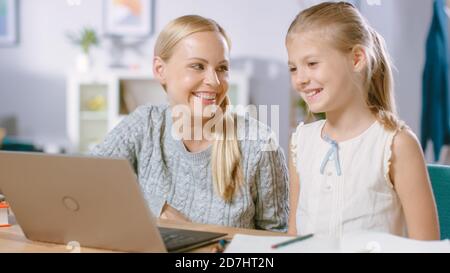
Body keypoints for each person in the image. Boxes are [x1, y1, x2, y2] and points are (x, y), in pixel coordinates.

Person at [91, 15, 289, 232]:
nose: (214, 81)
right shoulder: (145, 124)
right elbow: (86, 184)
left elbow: (275, 241)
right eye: (197, 66)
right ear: (160, 70)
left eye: (222, 68)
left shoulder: (258, 143)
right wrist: (155, 209)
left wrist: (194, 235)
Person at [287, 2, 439, 240]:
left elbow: (426, 246)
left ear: (357, 59)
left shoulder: (395, 144)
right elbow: (293, 238)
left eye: (312, 64)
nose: (300, 79)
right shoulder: (300, 142)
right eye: (293, 68)